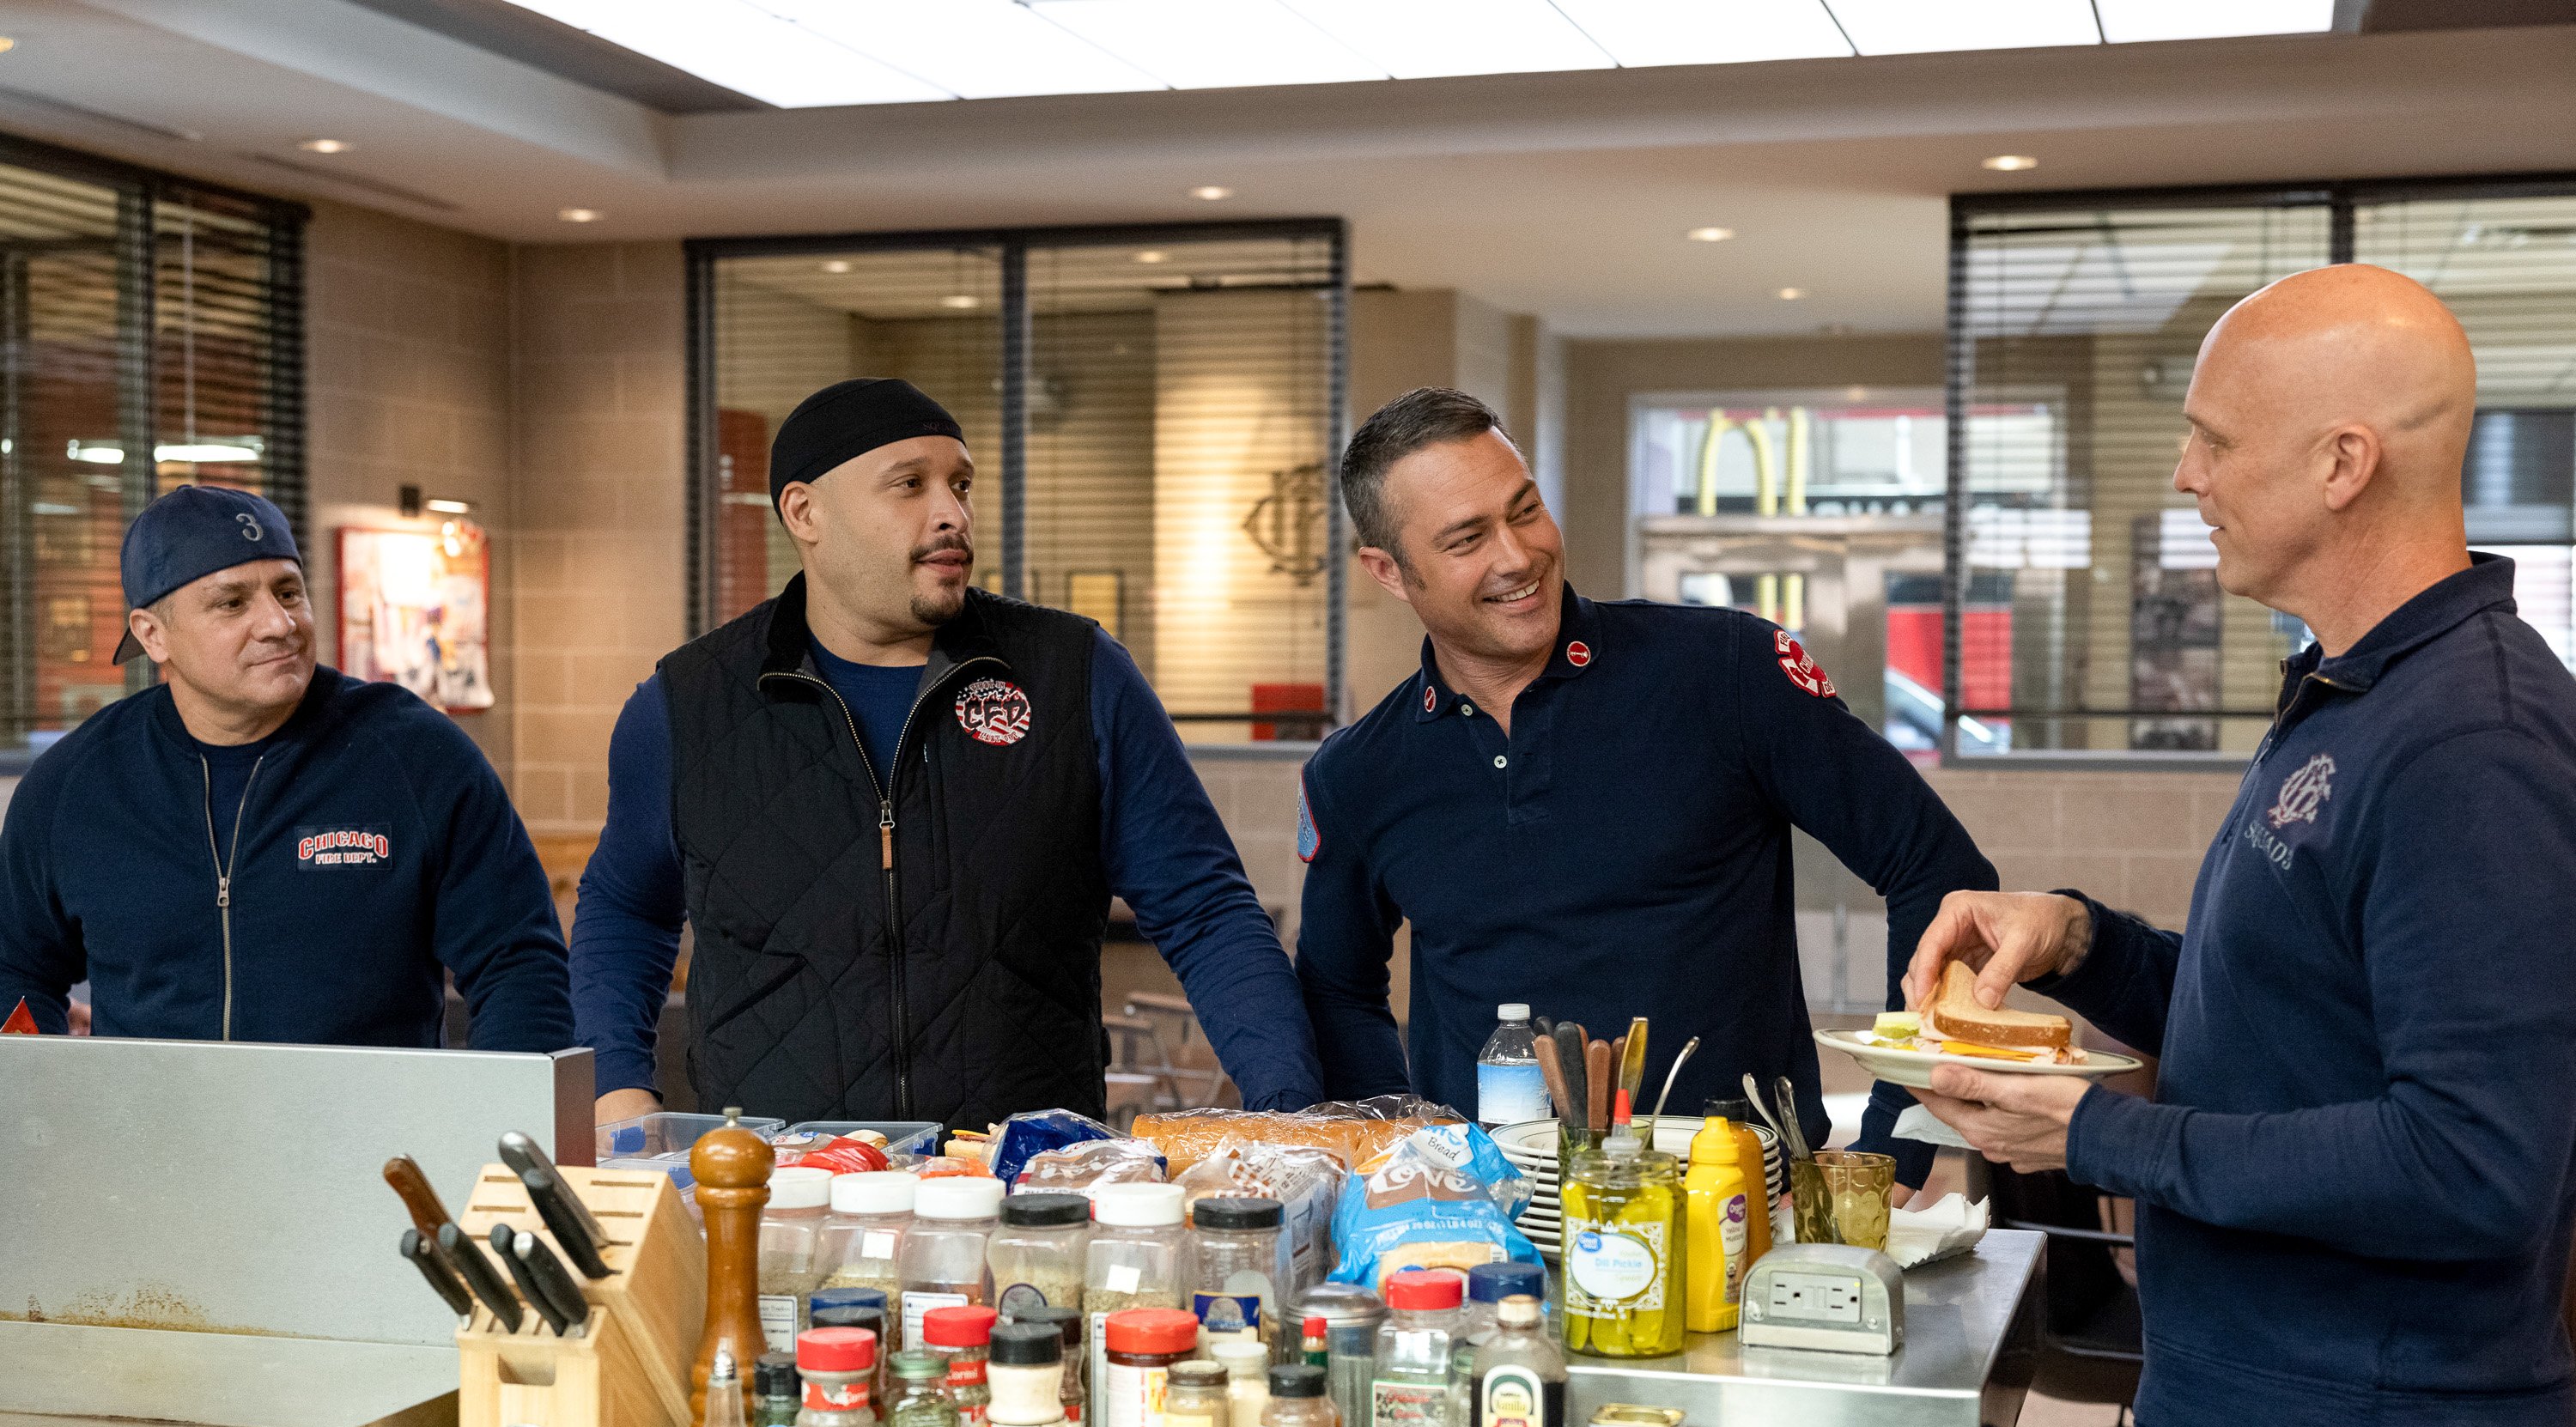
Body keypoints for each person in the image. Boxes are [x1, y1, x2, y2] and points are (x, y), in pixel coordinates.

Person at [1903, 266, 2576, 1427]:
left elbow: (2473, 1163)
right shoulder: (2354, 689)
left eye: (2214, 438)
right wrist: (2080, 940)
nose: (2183, 472)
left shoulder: (2475, 742)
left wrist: (2087, 1139)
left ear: (2345, 463)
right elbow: (2279, 1017)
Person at [574, 377, 1322, 1131]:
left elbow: (1206, 910)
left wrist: (1290, 1111)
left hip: (1027, 1195)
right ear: (805, 513)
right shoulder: (689, 704)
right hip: (780, 1193)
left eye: (961, 485)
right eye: (910, 485)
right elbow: (626, 909)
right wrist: (617, 1091)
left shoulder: (1075, 676)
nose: (952, 515)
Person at [1293, 388, 1996, 1186]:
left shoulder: (1726, 672)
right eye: (1467, 539)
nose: (1518, 555)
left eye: (1525, 510)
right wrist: (1400, 1161)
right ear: (1390, 571)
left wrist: (1893, 1145)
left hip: (1739, 1207)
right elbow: (1336, 990)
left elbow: (1941, 874)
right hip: (1485, 1236)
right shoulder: (1357, 774)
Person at [0, 484, 572, 1048]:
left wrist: (496, 1128)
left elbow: (518, 963)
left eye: (288, 592)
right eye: (233, 602)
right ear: (153, 635)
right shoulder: (76, 786)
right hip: (149, 1137)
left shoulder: (418, 758)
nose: (279, 623)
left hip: (376, 1139)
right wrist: (50, 1107)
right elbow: (15, 969)